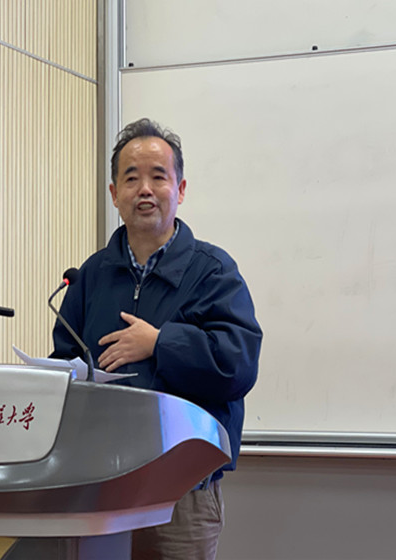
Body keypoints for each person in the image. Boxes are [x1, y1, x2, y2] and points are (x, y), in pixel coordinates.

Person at [51, 118, 262, 560]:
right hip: (99, 489)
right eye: (131, 179)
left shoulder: (213, 272)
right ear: (115, 195)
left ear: (180, 190)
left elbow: (238, 365)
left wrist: (160, 343)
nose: (144, 189)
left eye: (158, 177)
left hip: (182, 495)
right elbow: (65, 361)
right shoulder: (91, 276)